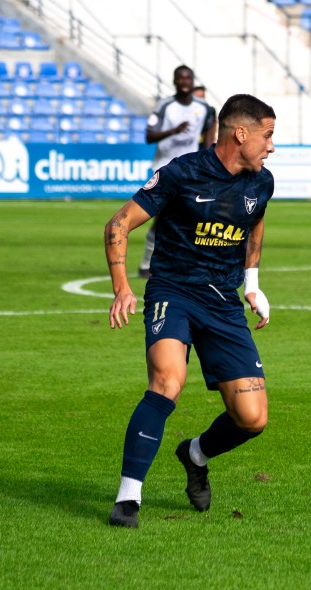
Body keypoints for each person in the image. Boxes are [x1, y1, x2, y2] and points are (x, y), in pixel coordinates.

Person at [103, 93, 276, 528]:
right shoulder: (182, 173)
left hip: (223, 301)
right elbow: (118, 224)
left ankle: (195, 454)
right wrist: (122, 288)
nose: (271, 146)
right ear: (241, 133)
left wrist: (253, 284)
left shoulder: (262, 182)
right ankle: (128, 498)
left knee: (252, 418)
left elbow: (255, 222)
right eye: (268, 136)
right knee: (167, 382)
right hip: (173, 290)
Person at [137, 65, 217, 278]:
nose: (184, 82)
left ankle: (186, 262)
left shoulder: (203, 107)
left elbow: (210, 127)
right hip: (164, 168)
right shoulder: (165, 106)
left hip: (191, 169)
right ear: (174, 81)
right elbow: (149, 136)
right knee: (161, 217)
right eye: (180, 78)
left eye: (187, 78)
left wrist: (209, 157)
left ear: (192, 81)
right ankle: (147, 262)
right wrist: (174, 130)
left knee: (194, 216)